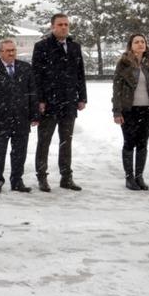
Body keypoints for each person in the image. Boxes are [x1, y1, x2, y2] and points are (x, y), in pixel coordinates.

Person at [32, 14, 87, 192]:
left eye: (66, 24)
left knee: (66, 141)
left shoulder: (74, 46)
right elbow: (36, 76)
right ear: (52, 27)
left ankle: (66, 177)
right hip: (49, 103)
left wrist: (82, 97)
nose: (64, 27)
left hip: (69, 101)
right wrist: (39, 99)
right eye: (60, 24)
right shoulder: (42, 47)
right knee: (44, 141)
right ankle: (42, 176)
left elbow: (80, 74)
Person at [0, 39, 38, 194]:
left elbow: (32, 92)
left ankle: (17, 181)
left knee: (20, 153)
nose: (11, 53)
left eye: (13, 50)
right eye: (7, 50)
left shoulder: (25, 68)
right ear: (0, 52)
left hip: (21, 118)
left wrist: (34, 115)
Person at [112, 33, 149, 191]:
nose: (140, 44)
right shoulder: (123, 64)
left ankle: (139, 177)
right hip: (129, 110)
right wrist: (117, 111)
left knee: (143, 144)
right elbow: (117, 90)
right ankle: (129, 178)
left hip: (147, 110)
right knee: (129, 143)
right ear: (131, 45)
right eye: (136, 42)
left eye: (143, 42)